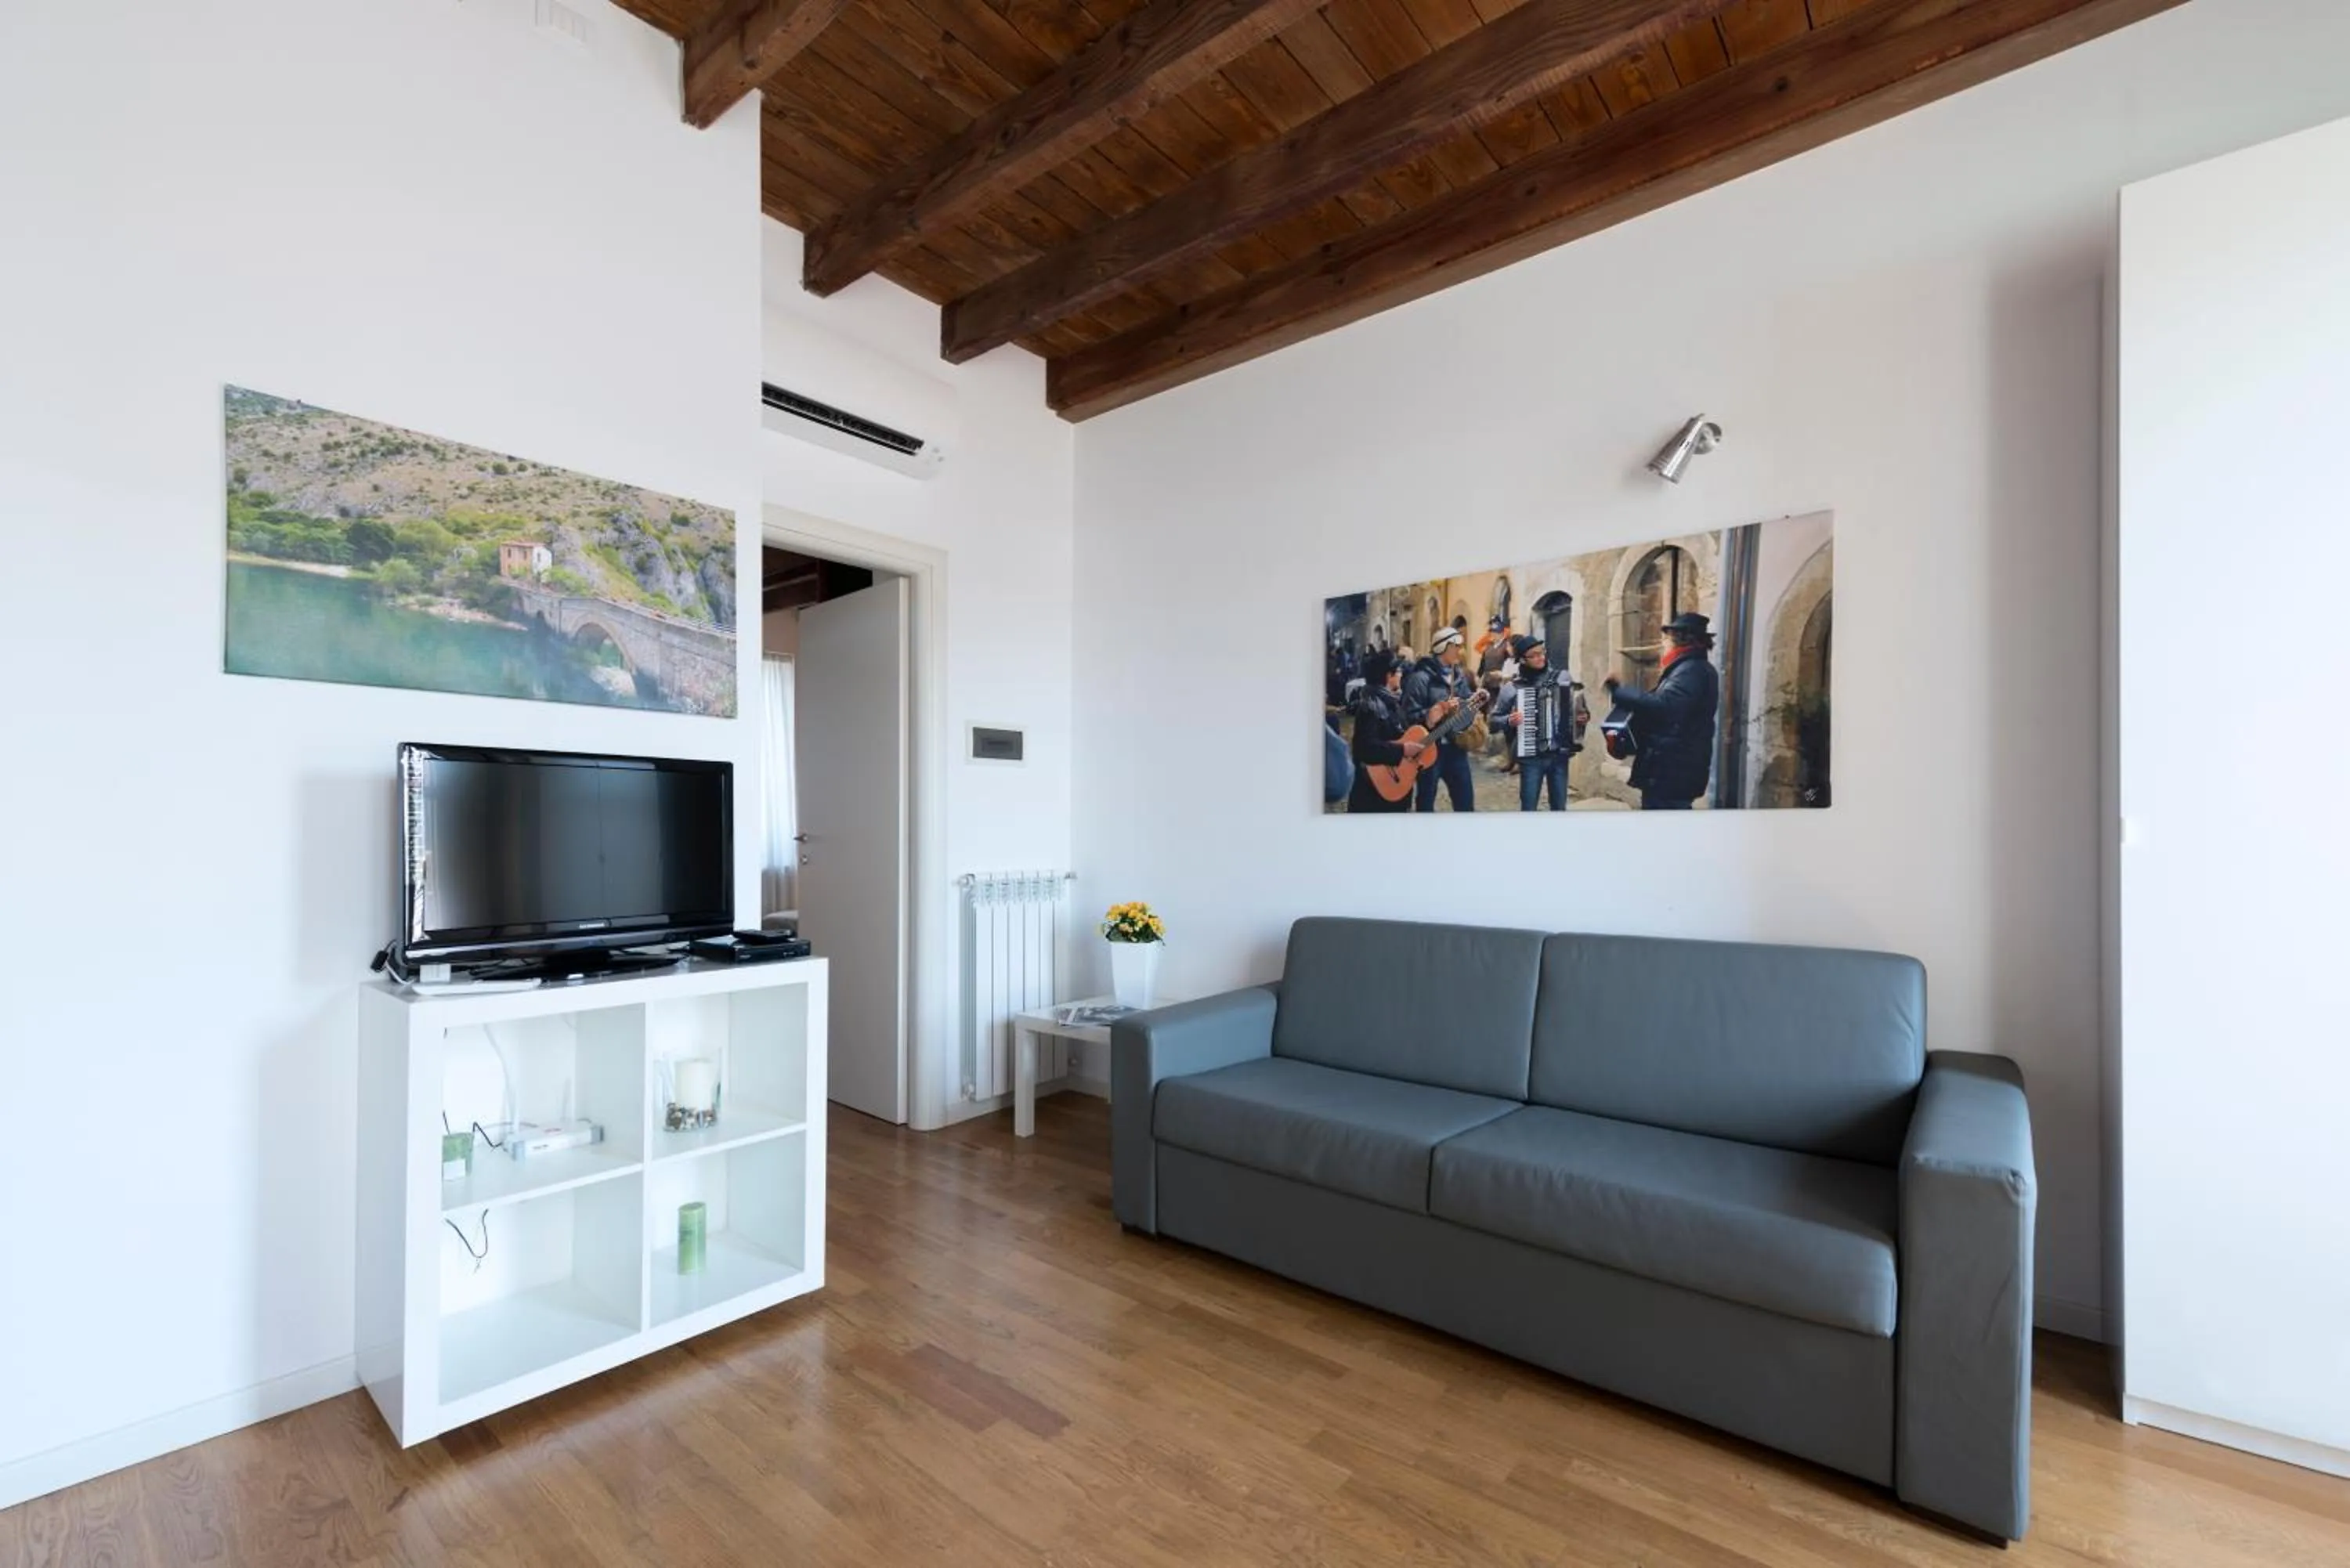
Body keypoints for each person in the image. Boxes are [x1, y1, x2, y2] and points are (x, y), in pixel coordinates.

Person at [1603, 611, 1719, 810]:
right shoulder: (1686, 668)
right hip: (1671, 769)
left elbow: (1665, 707)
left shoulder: (1691, 670)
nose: (1663, 643)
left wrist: (1620, 691)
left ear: (1680, 640)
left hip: (1673, 772)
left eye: (1666, 638)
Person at [1495, 635, 1587, 811]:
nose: (1540, 657)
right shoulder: (1513, 687)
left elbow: (1578, 707)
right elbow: (1493, 721)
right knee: (1529, 807)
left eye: (1542, 653)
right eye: (1534, 655)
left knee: (1559, 808)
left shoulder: (1562, 677)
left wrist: (1582, 718)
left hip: (1559, 754)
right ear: (1522, 659)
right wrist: (1509, 720)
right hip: (1531, 758)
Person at [1403, 626, 1477, 812]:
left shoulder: (1459, 676)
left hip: (1456, 748)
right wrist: (1429, 716)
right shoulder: (1420, 678)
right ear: (1443, 648)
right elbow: (1407, 717)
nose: (1459, 651)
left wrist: (1473, 705)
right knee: (1426, 802)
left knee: (1465, 802)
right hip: (1429, 750)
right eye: (1456, 647)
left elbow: (1467, 707)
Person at [1344, 649, 1421, 814]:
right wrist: (1402, 750)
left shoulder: (1389, 701)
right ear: (1389, 676)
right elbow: (1364, 748)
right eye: (1398, 671)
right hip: (1374, 792)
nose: (1401, 675)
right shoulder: (1370, 705)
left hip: (1389, 788)